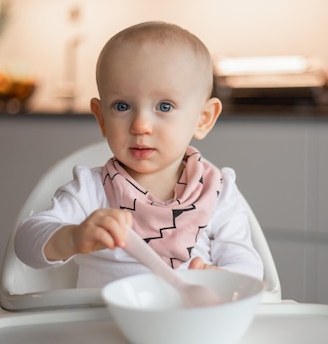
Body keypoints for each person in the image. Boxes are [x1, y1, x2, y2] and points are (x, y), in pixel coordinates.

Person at [15, 21, 263, 288]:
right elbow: (26, 242)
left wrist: (223, 280)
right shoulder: (92, 190)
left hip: (189, 323)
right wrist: (72, 238)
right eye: (121, 106)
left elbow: (248, 267)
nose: (140, 125)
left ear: (203, 119)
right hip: (102, 324)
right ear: (101, 118)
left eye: (164, 106)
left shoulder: (217, 193)